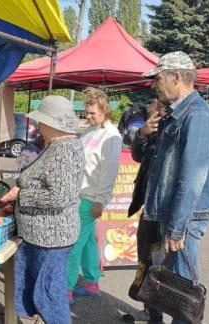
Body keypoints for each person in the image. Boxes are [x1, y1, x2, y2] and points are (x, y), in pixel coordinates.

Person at [0, 95, 84, 323]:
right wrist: (1, 179)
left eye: (41, 121)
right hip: (43, 235)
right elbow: (34, 179)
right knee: (42, 292)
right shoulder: (56, 146)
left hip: (50, 238)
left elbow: (59, 196)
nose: (38, 125)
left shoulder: (63, 150)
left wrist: (19, 194)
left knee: (49, 296)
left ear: (51, 123)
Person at [141, 51, 209, 324]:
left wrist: (176, 227)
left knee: (183, 294)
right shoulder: (180, 114)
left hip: (184, 218)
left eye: (158, 78)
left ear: (176, 77)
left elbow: (191, 178)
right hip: (174, 214)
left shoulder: (197, 116)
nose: (153, 84)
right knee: (173, 289)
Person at [66, 87, 122, 304]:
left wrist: (100, 201)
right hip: (79, 194)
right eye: (86, 113)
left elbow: (109, 173)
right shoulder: (90, 130)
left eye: (92, 113)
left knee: (73, 245)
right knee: (88, 241)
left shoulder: (112, 136)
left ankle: (66, 288)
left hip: (90, 198)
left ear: (105, 111)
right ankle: (91, 283)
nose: (88, 117)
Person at [123, 99, 167, 324]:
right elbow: (137, 156)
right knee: (146, 258)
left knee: (163, 264)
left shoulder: (175, 127)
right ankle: (151, 311)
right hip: (148, 206)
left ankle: (176, 314)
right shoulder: (153, 129)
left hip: (165, 211)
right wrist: (142, 133)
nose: (149, 109)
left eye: (154, 104)